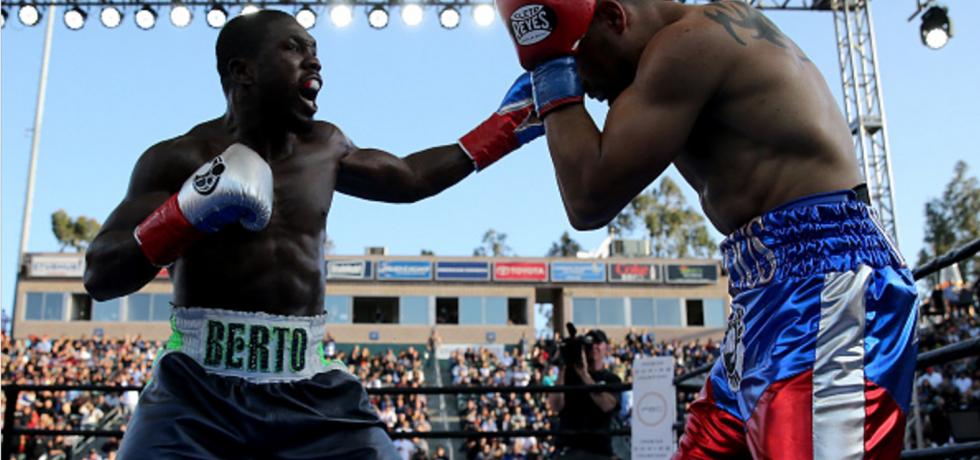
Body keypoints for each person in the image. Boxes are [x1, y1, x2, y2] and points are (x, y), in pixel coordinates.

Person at [83, 10, 543, 460]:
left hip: (312, 388)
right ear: (243, 71)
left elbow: (410, 178)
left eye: (314, 49)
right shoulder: (177, 159)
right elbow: (100, 276)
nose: (315, 61)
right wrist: (186, 212)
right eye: (294, 48)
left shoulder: (325, 146)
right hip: (196, 390)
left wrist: (508, 125)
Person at [493, 0, 917, 457]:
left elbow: (588, 198)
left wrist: (550, 68)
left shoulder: (688, 44)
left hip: (827, 283)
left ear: (615, 17)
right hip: (764, 296)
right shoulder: (683, 51)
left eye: (576, 57)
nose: (585, 86)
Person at [547, 329, 621, 460]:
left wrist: (584, 375)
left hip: (598, 449)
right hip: (568, 447)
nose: (594, 347)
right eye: (590, 344)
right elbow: (555, 406)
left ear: (606, 348)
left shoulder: (611, 379)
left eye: (598, 343)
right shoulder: (568, 377)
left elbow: (607, 405)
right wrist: (561, 369)